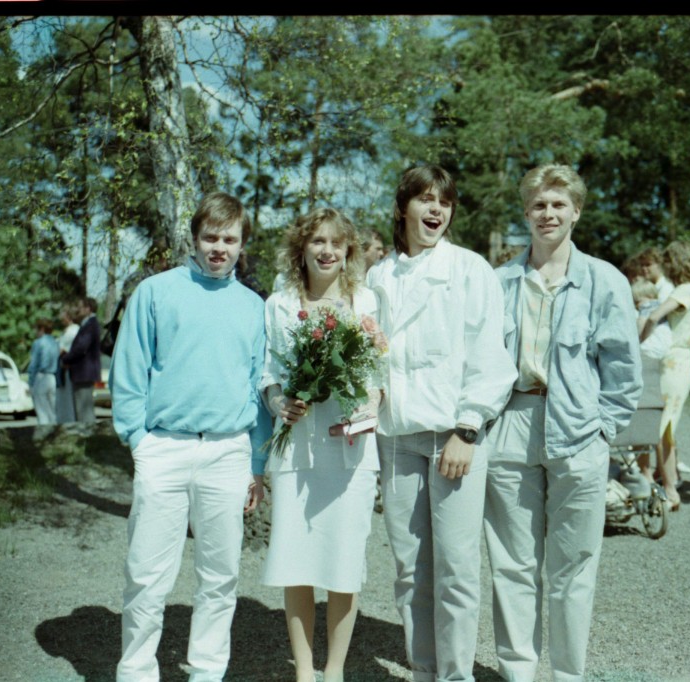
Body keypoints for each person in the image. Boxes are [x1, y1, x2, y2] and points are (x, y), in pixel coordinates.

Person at [484, 163, 642, 682]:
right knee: (513, 564)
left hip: (578, 433)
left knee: (573, 567)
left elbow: (623, 368)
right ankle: (518, 673)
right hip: (511, 425)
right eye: (538, 204)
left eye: (558, 204)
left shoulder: (604, 280)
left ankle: (568, 675)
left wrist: (603, 431)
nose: (547, 213)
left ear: (576, 210)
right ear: (526, 212)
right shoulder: (501, 280)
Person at [109, 191, 271, 682]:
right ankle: (136, 671)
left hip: (228, 452)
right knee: (146, 574)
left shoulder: (254, 307)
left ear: (242, 244)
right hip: (164, 446)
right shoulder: (155, 293)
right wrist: (138, 440)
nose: (219, 247)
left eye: (229, 239)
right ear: (194, 238)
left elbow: (259, 387)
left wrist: (256, 466)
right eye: (210, 237)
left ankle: (206, 671)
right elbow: (129, 373)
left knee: (220, 578)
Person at [366, 165, 517, 682]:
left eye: (444, 202)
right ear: (402, 207)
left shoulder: (471, 270)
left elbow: (490, 358)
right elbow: (372, 360)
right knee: (411, 571)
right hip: (396, 439)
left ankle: (456, 676)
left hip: (454, 439)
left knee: (455, 569)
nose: (436, 211)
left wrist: (468, 428)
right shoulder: (378, 276)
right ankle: (425, 671)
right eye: (425, 200)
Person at [260, 207, 382, 682]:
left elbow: (378, 370)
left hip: (350, 451)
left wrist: (367, 408)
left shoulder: (365, 300)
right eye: (317, 242)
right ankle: (304, 671)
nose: (327, 250)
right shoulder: (281, 302)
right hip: (297, 448)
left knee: (344, 561)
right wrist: (278, 402)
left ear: (349, 249)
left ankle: (335, 670)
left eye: (336, 242)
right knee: (296, 559)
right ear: (301, 248)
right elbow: (269, 371)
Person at [639, 240, 690, 510]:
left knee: (662, 426)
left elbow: (654, 317)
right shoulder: (687, 290)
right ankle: (669, 483)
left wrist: (639, 339)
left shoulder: (686, 290)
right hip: (672, 362)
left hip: (674, 363)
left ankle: (669, 490)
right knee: (664, 427)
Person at [61, 296, 101, 423]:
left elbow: (81, 348)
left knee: (84, 410)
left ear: (88, 309)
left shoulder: (90, 325)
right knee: (81, 409)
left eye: (80, 307)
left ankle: (87, 435)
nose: (78, 310)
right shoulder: (88, 324)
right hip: (82, 373)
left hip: (84, 373)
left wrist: (65, 359)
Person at [28, 318, 59, 425]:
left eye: (37, 329)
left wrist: (31, 382)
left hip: (41, 376)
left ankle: (44, 434)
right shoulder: (55, 342)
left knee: (41, 410)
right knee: (52, 410)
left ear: (42, 329)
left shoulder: (38, 343)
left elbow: (34, 364)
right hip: (52, 377)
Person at [55, 303, 80, 424]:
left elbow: (63, 349)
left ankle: (69, 421)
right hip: (63, 366)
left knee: (68, 397)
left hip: (68, 367)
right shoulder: (67, 331)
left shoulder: (73, 331)